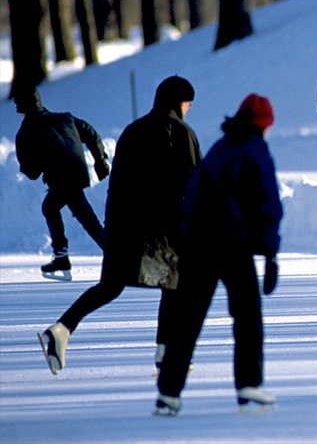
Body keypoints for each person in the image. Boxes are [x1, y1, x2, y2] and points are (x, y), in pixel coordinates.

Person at [37, 76, 201, 375]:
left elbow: (119, 182)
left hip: (123, 224)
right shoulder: (179, 132)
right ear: (180, 102)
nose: (189, 109)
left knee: (111, 286)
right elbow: (192, 181)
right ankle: (167, 352)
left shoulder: (132, 130)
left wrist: (112, 226)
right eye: (188, 103)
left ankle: (61, 329)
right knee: (176, 281)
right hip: (161, 229)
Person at [156, 94, 283, 416]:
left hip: (198, 243)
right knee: (247, 317)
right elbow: (268, 203)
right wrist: (269, 254)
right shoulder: (255, 150)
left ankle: (169, 393)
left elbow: (195, 192)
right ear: (263, 125)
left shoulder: (220, 147)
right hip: (233, 245)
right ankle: (248, 385)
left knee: (188, 319)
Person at [14, 87, 109, 281]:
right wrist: (100, 160)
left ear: (20, 108)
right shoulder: (64, 118)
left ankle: (112, 256)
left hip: (61, 178)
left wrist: (34, 165)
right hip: (77, 172)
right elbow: (91, 133)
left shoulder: (25, 132)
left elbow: (31, 172)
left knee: (76, 215)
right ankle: (63, 257)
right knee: (59, 209)